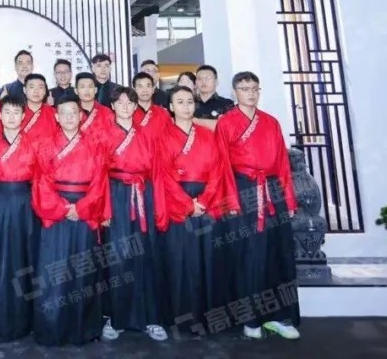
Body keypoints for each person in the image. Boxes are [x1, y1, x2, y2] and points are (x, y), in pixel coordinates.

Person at [215, 72, 300, 340]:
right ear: (234, 92)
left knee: (278, 253)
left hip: (272, 191)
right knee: (248, 255)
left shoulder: (271, 122)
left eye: (254, 89)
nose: (250, 93)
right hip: (244, 191)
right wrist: (230, 200)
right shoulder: (226, 122)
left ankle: (279, 316)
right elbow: (222, 165)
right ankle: (249, 318)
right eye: (244, 89)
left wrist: (288, 199)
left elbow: (283, 163)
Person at [158, 86, 238, 338]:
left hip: (206, 202)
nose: (186, 106)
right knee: (180, 261)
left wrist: (203, 201)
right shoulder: (162, 137)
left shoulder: (206, 135)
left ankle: (208, 317)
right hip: (178, 203)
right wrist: (187, 205)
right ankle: (181, 319)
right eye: (180, 102)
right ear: (171, 107)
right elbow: (163, 176)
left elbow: (217, 170)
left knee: (207, 260)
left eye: (189, 102)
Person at [31, 97, 109, 346]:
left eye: (73, 112)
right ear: (56, 116)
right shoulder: (46, 145)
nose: (69, 117)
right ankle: (53, 328)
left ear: (80, 116)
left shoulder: (95, 144)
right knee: (54, 272)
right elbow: (41, 182)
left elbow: (99, 182)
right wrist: (64, 208)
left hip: (84, 212)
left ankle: (83, 329)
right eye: (63, 113)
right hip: (57, 213)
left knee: (84, 270)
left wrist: (82, 208)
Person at [95, 87, 168, 342]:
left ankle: (152, 318)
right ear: (112, 106)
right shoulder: (102, 134)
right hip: (116, 195)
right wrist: (104, 209)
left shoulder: (147, 135)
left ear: (136, 106)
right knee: (118, 257)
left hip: (143, 195)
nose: (125, 106)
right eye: (120, 102)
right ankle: (117, 319)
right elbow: (98, 175)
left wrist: (159, 209)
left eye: (130, 102)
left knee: (147, 255)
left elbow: (157, 174)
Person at [0, 95, 38, 343]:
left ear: (23, 116)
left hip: (25, 202)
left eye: (17, 112)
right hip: (0, 201)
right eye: (7, 112)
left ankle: (24, 319)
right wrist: (0, 197)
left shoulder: (33, 142)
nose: (12, 117)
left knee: (24, 255)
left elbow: (38, 175)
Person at [74, 71, 112, 145]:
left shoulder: (107, 112)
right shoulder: (71, 113)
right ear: (76, 91)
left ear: (95, 90)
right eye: (82, 87)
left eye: (90, 86)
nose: (87, 90)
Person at [193, 64, 235, 129]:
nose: (203, 82)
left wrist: (195, 121)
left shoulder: (227, 103)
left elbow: (230, 127)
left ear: (216, 82)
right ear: (196, 82)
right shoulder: (189, 103)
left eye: (207, 78)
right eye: (199, 79)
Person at [132, 71, 169, 141]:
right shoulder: (128, 113)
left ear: (153, 89)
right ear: (134, 90)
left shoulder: (163, 113)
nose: (144, 90)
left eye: (148, 86)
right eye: (140, 86)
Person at [22, 73, 57, 140]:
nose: (36, 91)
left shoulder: (54, 113)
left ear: (45, 91)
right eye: (31, 87)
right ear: (24, 90)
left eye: (40, 87)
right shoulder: (17, 113)